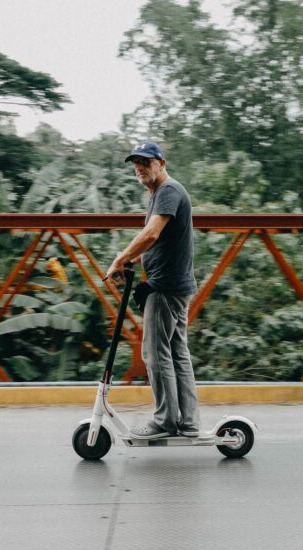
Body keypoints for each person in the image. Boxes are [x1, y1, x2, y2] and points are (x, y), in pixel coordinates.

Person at [105, 142, 201, 439]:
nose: (140, 167)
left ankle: (164, 422)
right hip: (176, 285)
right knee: (176, 352)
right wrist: (132, 261)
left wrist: (119, 259)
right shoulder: (161, 193)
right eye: (135, 162)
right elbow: (158, 241)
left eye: (145, 161)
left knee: (154, 354)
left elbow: (152, 233)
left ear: (161, 162)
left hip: (166, 287)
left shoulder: (168, 191)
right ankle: (187, 422)